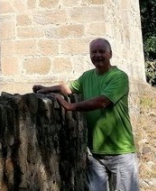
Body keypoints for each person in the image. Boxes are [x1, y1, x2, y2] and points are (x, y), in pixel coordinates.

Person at [33, 37, 139, 191]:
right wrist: (47, 89)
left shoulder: (119, 77)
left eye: (101, 51)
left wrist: (71, 106)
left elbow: (102, 101)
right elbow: (69, 88)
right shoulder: (87, 76)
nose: (97, 55)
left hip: (120, 152)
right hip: (95, 152)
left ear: (110, 54)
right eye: (93, 52)